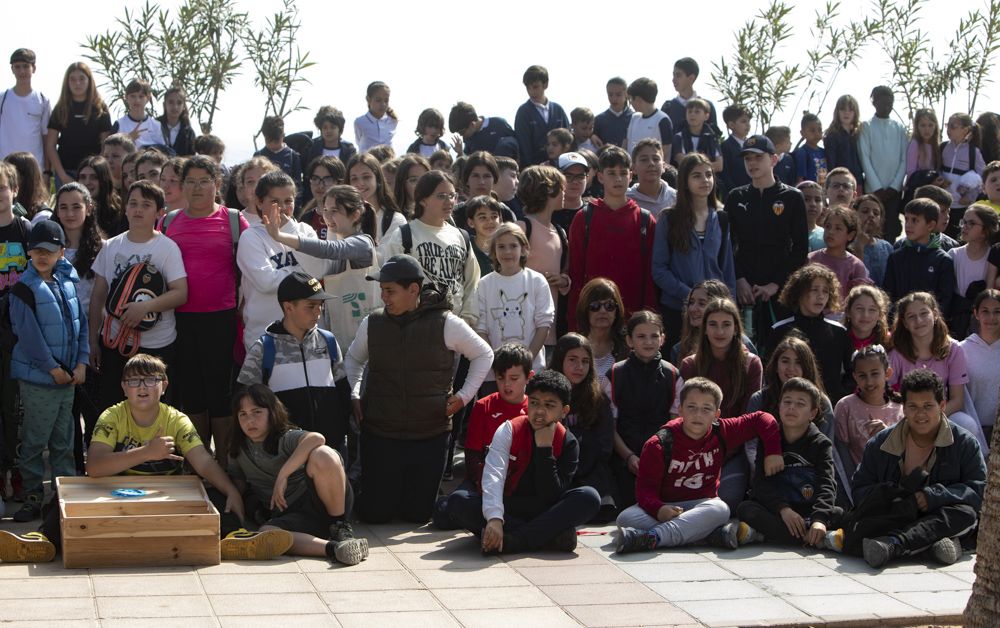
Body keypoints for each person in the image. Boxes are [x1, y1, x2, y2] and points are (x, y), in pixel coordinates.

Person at [0, 353, 292, 563]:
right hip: (112, 494)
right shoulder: (112, 416)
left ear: (163, 386)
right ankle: (40, 542)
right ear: (123, 387)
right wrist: (146, 453)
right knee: (59, 498)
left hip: (167, 494)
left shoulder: (176, 418)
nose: (142, 387)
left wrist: (231, 491)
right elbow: (95, 467)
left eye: (151, 380)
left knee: (215, 495)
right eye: (134, 381)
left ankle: (236, 539)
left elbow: (203, 461)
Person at [344, 254, 493, 523]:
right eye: (382, 291)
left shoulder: (446, 323)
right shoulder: (373, 323)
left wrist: (463, 397)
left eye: (390, 291)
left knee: (418, 516)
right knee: (375, 515)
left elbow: (484, 354)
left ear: (413, 290)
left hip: (429, 434)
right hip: (381, 433)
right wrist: (354, 392)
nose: (384, 298)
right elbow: (353, 358)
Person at [825, 369, 985, 569]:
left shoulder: (964, 443)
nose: (920, 414)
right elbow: (859, 490)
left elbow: (979, 490)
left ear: (942, 406)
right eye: (913, 406)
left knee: (966, 515)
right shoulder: (880, 443)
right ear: (904, 408)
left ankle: (894, 545)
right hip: (895, 514)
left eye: (928, 406)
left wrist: (933, 496)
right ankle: (931, 545)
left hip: (940, 515)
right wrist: (894, 495)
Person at [615, 377, 782, 554]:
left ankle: (652, 538)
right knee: (625, 519)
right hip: (667, 505)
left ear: (716, 415)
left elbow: (763, 418)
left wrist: (773, 451)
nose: (698, 415)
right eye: (691, 407)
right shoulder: (659, 444)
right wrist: (659, 509)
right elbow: (644, 491)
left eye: (706, 409)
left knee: (721, 510)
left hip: (702, 505)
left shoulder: (722, 431)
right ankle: (708, 535)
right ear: (680, 410)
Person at [160, 155, 248, 463]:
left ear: (218, 184)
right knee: (192, 395)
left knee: (220, 396)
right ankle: (199, 464)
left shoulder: (235, 220)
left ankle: (223, 463)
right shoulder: (168, 222)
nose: (197, 188)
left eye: (204, 181)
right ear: (182, 185)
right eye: (191, 182)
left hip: (222, 319)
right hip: (180, 319)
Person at [454, 369, 600, 554]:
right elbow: (494, 476)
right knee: (459, 501)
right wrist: (495, 518)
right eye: (534, 403)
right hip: (508, 505)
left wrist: (545, 449)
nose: (539, 411)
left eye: (549, 405)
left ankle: (512, 541)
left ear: (564, 411)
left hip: (544, 509)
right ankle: (548, 538)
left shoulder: (568, 441)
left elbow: (551, 494)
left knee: (589, 497)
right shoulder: (509, 429)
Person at [228, 384, 367, 564]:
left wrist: (283, 474)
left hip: (325, 498)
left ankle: (341, 527)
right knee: (266, 534)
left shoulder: (285, 437)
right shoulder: (237, 449)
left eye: (257, 412)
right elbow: (237, 481)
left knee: (323, 453)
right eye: (243, 414)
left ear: (272, 412)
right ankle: (336, 549)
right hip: (293, 514)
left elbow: (317, 438)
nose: (250, 420)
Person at [8, 220, 88, 522]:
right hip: (39, 379)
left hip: (67, 378)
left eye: (50, 250)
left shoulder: (69, 282)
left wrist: (81, 362)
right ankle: (32, 494)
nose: (43, 256)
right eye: (37, 250)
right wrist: (52, 369)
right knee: (34, 439)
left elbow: (81, 326)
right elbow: (30, 339)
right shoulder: (23, 289)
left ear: (61, 252)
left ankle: (62, 493)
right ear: (29, 252)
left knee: (64, 440)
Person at [89, 181, 188, 410]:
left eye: (146, 205)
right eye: (133, 203)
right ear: (125, 208)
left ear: (159, 212)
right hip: (114, 344)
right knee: (116, 410)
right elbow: (97, 297)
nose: (138, 210)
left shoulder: (168, 248)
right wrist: (93, 341)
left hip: (157, 345)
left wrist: (145, 307)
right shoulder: (111, 246)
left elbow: (181, 293)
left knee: (155, 412)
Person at [236, 269, 348, 448]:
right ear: (288, 307)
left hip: (331, 448)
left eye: (320, 305)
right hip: (286, 453)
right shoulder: (263, 349)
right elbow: (244, 402)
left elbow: (343, 392)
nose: (318, 312)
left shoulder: (329, 341)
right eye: (311, 306)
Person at [263, 184, 378, 354]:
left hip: (366, 339)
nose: (327, 217)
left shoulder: (362, 242)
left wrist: (281, 235)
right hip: (341, 335)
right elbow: (319, 269)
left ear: (356, 214)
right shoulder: (337, 236)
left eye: (335, 211)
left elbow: (329, 249)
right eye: (325, 210)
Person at [433, 343, 532, 530]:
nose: (507, 385)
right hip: (484, 482)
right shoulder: (483, 406)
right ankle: (503, 522)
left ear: (529, 377)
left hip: (519, 485)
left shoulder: (534, 409)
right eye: (501, 378)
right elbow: (472, 455)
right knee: (450, 507)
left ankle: (500, 526)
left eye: (514, 378)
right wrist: (486, 486)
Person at [724, 134, 808, 348]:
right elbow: (727, 244)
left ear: (773, 160)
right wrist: (739, 279)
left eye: (758, 158)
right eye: (747, 159)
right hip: (745, 292)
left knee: (781, 349)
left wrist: (775, 284)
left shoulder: (792, 197)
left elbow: (799, 248)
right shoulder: (735, 197)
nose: (752, 163)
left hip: (780, 292)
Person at [737, 378, 841, 547]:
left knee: (838, 513)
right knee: (746, 509)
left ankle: (766, 535)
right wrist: (783, 509)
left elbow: (827, 484)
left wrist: (819, 519)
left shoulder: (821, 443)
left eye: (800, 404)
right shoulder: (769, 439)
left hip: (809, 510)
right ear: (779, 406)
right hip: (779, 511)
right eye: (787, 402)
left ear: (813, 413)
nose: (792, 407)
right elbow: (760, 484)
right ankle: (817, 539)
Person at [887, 291, 989, 455]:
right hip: (908, 417)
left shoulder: (953, 349)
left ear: (934, 315)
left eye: (923, 313)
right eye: (911, 316)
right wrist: (916, 418)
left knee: (967, 424)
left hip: (943, 413)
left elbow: (958, 400)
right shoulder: (897, 354)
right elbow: (889, 394)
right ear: (904, 323)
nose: (919, 320)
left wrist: (931, 417)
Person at [236, 170, 326, 353]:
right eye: (275, 201)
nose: (283, 208)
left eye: (288, 201)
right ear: (260, 203)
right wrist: (302, 275)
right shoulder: (251, 237)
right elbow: (266, 283)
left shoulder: (305, 230)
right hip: (266, 336)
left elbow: (317, 271)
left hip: (309, 333)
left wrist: (288, 231)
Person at [652, 152, 735, 349]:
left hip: (715, 313)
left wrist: (729, 306)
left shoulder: (721, 219)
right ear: (685, 181)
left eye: (708, 174)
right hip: (677, 310)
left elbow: (727, 270)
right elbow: (659, 269)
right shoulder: (669, 218)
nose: (705, 180)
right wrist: (691, 296)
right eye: (697, 175)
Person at [567, 146, 656, 325]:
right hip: (592, 318)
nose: (618, 178)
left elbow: (650, 279)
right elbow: (576, 274)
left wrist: (648, 320)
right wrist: (575, 322)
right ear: (600, 177)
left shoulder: (646, 220)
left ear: (631, 176)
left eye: (623, 173)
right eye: (611, 173)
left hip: (633, 320)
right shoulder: (584, 218)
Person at [380, 170, 481, 326]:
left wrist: (467, 320)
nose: (449, 202)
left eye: (452, 196)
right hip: (416, 326)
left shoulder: (462, 236)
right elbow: (390, 283)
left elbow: (472, 282)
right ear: (422, 200)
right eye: (441, 196)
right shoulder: (403, 236)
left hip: (457, 326)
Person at [51, 183, 105, 470]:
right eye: (63, 206)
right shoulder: (47, 250)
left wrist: (93, 342)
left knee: (94, 413)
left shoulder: (103, 250)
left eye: (76, 206)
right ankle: (71, 474)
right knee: (65, 418)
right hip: (58, 345)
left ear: (88, 208)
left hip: (92, 343)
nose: (70, 213)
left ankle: (97, 469)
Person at [605, 312, 682, 508]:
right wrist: (629, 456)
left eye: (654, 336)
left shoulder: (673, 375)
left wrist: (657, 457)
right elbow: (609, 428)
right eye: (641, 336)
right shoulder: (614, 375)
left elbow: (674, 426)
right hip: (624, 458)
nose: (648, 342)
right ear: (629, 340)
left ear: (663, 338)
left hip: (662, 458)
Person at [549, 333, 616, 519]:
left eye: (585, 361)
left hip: (590, 470)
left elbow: (604, 445)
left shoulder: (597, 398)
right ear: (560, 359)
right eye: (573, 360)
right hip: (557, 470)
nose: (580, 367)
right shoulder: (546, 394)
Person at [475, 223, 554, 377]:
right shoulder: (484, 284)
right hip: (494, 372)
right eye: (501, 247)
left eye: (513, 246)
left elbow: (544, 324)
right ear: (493, 250)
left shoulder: (537, 281)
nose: (507, 252)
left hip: (531, 370)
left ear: (523, 249)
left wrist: (527, 360)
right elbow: (480, 328)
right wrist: (496, 362)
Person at [769, 264, 853, 401]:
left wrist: (839, 394)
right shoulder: (780, 330)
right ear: (799, 292)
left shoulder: (839, 332)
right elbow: (770, 373)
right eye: (814, 290)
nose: (820, 296)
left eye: (825, 291)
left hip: (828, 408)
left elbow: (851, 373)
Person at [680, 297, 763, 429]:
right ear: (705, 329)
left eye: (726, 324)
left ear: (735, 329)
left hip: (739, 439)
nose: (720, 332)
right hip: (699, 440)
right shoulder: (690, 364)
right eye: (713, 324)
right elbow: (685, 413)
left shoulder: (752, 364)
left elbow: (750, 415)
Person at [515, 165, 569, 351]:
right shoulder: (521, 227)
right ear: (548, 190)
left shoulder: (560, 232)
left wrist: (563, 281)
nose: (565, 192)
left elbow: (565, 273)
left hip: (550, 330)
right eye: (560, 187)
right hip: (521, 328)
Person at [835, 345, 903, 469]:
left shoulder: (900, 410)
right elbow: (841, 454)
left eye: (875, 374)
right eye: (862, 376)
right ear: (855, 377)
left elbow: (906, 454)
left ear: (887, 373)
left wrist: (887, 435)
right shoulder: (845, 406)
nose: (869, 382)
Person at [883, 198, 956, 314]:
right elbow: (888, 294)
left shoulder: (943, 260)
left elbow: (944, 300)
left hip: (929, 324)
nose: (908, 225)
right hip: (900, 322)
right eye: (906, 219)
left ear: (930, 225)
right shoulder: (896, 257)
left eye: (915, 220)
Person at [45, 62, 111, 186]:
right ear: (67, 82)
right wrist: (62, 175)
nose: (77, 83)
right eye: (73, 79)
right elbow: (50, 145)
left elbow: (106, 145)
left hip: (94, 174)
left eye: (82, 79)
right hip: (66, 172)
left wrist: (96, 170)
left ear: (89, 81)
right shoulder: (60, 109)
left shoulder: (100, 108)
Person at [858, 86, 908, 242]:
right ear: (874, 102)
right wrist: (877, 188)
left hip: (894, 191)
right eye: (883, 102)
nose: (887, 106)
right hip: (873, 191)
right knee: (870, 227)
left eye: (890, 102)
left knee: (891, 228)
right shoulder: (866, 126)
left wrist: (895, 186)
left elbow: (904, 159)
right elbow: (864, 157)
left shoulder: (899, 128)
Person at [671, 280, 755, 365]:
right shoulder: (679, 349)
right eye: (691, 302)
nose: (693, 309)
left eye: (702, 304)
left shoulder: (744, 344)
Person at [949, 204, 997, 338]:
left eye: (971, 223)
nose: (964, 226)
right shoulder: (954, 255)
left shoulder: (994, 258)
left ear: (985, 231)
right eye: (963, 222)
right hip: (956, 320)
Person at [0, 49, 51, 170]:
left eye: (26, 66)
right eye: (17, 67)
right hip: (5, 169)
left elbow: (46, 139)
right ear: (12, 69)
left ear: (34, 68)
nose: (22, 71)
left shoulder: (43, 100)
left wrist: (48, 171)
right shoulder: (2, 99)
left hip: (35, 169)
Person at [961, 289, 1000, 443]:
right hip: (972, 430)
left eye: (997, 311)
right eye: (985, 311)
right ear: (976, 314)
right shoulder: (962, 349)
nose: (991, 317)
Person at [808, 206, 870, 302]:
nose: (831, 232)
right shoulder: (811, 259)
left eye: (838, 228)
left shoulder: (856, 266)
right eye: (828, 226)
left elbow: (858, 300)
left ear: (850, 235)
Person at [940, 113, 986, 237]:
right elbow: (936, 169)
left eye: (953, 126)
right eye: (947, 126)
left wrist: (971, 196)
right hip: (942, 204)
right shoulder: (943, 147)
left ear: (965, 130)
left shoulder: (973, 152)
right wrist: (939, 180)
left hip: (961, 205)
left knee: (956, 238)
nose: (948, 130)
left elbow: (983, 175)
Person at [574, 278, 628, 384]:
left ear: (617, 311)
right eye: (595, 306)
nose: (603, 311)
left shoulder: (628, 346)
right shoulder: (573, 345)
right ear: (585, 310)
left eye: (609, 306)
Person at [347, 153, 405, 248]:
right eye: (354, 179)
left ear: (377, 179)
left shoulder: (395, 220)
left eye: (366, 177)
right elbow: (330, 258)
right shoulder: (339, 216)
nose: (360, 183)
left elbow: (385, 258)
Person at [515, 65, 569, 166]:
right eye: (528, 87)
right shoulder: (523, 112)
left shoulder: (558, 109)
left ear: (545, 84)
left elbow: (568, 138)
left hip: (561, 167)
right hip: (535, 169)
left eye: (535, 87)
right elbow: (523, 146)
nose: (531, 91)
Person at [660, 57, 719, 136]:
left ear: (691, 78)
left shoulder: (707, 106)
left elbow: (713, 137)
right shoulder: (668, 107)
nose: (673, 80)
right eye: (673, 75)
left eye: (678, 75)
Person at [849, 193, 894, 286]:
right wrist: (859, 247)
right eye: (865, 211)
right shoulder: (846, 244)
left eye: (876, 213)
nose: (871, 215)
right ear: (854, 214)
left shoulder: (886, 247)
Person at [447, 101, 518, 158]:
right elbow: (468, 163)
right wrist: (460, 153)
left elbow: (516, 146)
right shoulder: (469, 139)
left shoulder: (499, 124)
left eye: (462, 133)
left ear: (472, 124)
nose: (462, 137)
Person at [298, 156, 345, 237]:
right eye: (315, 178)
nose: (320, 186)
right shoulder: (305, 218)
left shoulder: (347, 217)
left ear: (339, 182)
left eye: (327, 179)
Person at [624, 77, 672, 157]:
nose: (630, 103)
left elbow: (665, 151)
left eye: (630, 99)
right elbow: (626, 144)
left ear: (638, 99)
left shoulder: (662, 120)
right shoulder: (633, 118)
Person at [77, 155, 124, 237]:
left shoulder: (118, 215)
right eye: (83, 177)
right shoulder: (70, 210)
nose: (87, 182)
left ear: (104, 180)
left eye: (94, 177)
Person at [823, 95, 864, 188]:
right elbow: (831, 163)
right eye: (843, 109)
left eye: (850, 110)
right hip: (840, 183)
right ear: (837, 112)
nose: (847, 113)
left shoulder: (858, 134)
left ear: (855, 112)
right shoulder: (832, 135)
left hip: (858, 181)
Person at [670, 99, 722, 171]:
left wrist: (697, 168)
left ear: (706, 116)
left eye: (697, 112)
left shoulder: (712, 138)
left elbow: (719, 165)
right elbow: (682, 162)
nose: (692, 114)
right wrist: (707, 166)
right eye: (689, 111)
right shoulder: (679, 137)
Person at [112, 79, 165, 150]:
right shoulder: (119, 124)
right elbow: (111, 151)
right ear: (126, 97)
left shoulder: (156, 126)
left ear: (148, 98)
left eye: (141, 96)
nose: (137, 100)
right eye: (133, 96)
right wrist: (128, 139)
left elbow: (164, 153)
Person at [627, 139, 676, 213]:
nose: (651, 163)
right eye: (644, 160)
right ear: (633, 168)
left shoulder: (676, 198)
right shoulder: (626, 199)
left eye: (656, 159)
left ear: (663, 166)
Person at [254, 116, 302, 189]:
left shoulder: (293, 156)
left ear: (283, 135)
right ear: (264, 136)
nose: (272, 145)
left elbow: (297, 186)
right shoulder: (258, 156)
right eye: (269, 141)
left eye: (276, 141)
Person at [843, 284, 892, 350]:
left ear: (880, 314)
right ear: (848, 312)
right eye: (859, 308)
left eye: (872, 309)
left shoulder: (889, 342)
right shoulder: (837, 339)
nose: (865, 315)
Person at [353, 81, 397, 153]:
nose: (383, 104)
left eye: (386, 100)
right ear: (368, 99)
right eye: (378, 100)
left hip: (388, 162)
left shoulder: (393, 121)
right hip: (367, 162)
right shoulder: (359, 122)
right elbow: (359, 142)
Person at [719, 104, 752, 199]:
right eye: (743, 121)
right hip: (735, 196)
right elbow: (725, 176)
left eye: (749, 121)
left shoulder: (752, 145)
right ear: (731, 125)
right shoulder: (725, 147)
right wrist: (736, 193)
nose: (748, 124)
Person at [593, 77, 633, 149]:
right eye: (610, 95)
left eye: (618, 95)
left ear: (626, 94)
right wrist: (591, 135)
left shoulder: (635, 118)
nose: (614, 98)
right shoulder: (599, 120)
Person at [466, 195, 501, 276]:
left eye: (494, 216)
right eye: (483, 217)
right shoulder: (466, 247)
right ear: (471, 222)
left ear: (500, 220)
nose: (490, 221)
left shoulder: (506, 247)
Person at [156, 86, 195, 157]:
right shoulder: (155, 125)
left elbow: (192, 156)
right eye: (171, 102)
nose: (175, 107)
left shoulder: (188, 131)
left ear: (184, 107)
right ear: (164, 104)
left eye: (179, 103)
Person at [906, 108, 942, 183]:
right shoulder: (915, 144)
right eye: (923, 125)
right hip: (918, 189)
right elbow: (910, 173)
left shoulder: (937, 146)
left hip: (933, 189)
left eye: (930, 125)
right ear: (917, 127)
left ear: (935, 126)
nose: (927, 130)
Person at [793, 112, 828, 183]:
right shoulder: (802, 152)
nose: (817, 133)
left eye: (819, 130)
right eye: (812, 131)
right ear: (802, 133)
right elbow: (800, 178)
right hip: (810, 192)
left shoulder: (824, 151)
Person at [393, 154, 430, 218]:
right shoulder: (392, 217)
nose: (421, 184)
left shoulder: (439, 213)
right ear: (402, 183)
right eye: (414, 180)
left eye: (425, 179)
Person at [100, 132, 136, 197]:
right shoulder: (100, 188)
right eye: (106, 156)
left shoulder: (136, 188)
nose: (109, 161)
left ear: (130, 158)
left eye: (115, 156)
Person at [799, 181, 826, 251]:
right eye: (806, 199)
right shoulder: (786, 234)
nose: (813, 204)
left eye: (817, 200)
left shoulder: (826, 236)